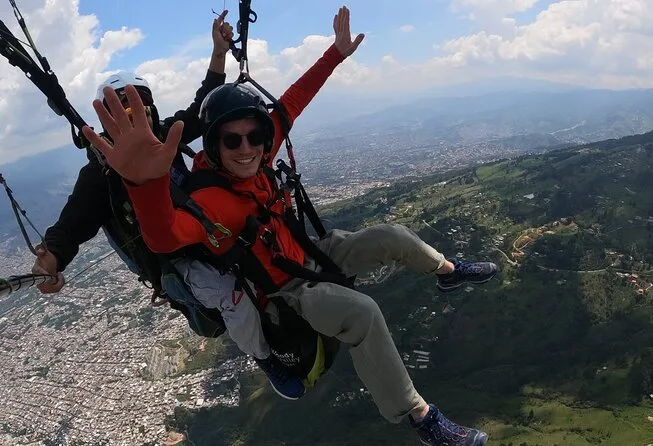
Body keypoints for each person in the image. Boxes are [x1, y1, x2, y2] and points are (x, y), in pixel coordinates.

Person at [83, 6, 495, 445]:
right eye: (232, 140)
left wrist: (335, 54)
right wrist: (144, 184)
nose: (246, 148)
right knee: (363, 314)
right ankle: (420, 418)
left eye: (254, 137)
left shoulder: (258, 153)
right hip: (287, 292)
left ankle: (447, 271)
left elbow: (294, 100)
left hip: (310, 254)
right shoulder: (211, 201)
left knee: (390, 236)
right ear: (214, 145)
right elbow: (165, 236)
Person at [31, 11, 234, 296]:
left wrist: (219, 53)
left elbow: (201, 108)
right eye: (125, 114)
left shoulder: (165, 135)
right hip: (176, 262)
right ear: (109, 122)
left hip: (201, 232)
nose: (138, 120)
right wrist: (51, 258)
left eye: (142, 109)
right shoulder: (103, 171)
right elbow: (73, 222)